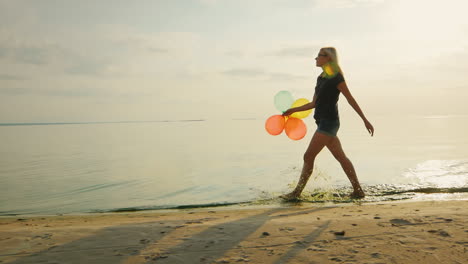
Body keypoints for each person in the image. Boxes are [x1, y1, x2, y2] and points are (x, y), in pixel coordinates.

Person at [280, 47, 374, 200]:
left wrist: (364, 119)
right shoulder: (321, 78)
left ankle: (296, 193)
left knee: (308, 156)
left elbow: (350, 99)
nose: (316, 58)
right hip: (322, 122)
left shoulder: (336, 78)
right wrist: (292, 110)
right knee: (341, 157)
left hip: (329, 123)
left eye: (319, 55)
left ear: (328, 58)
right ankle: (358, 190)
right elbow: (313, 103)